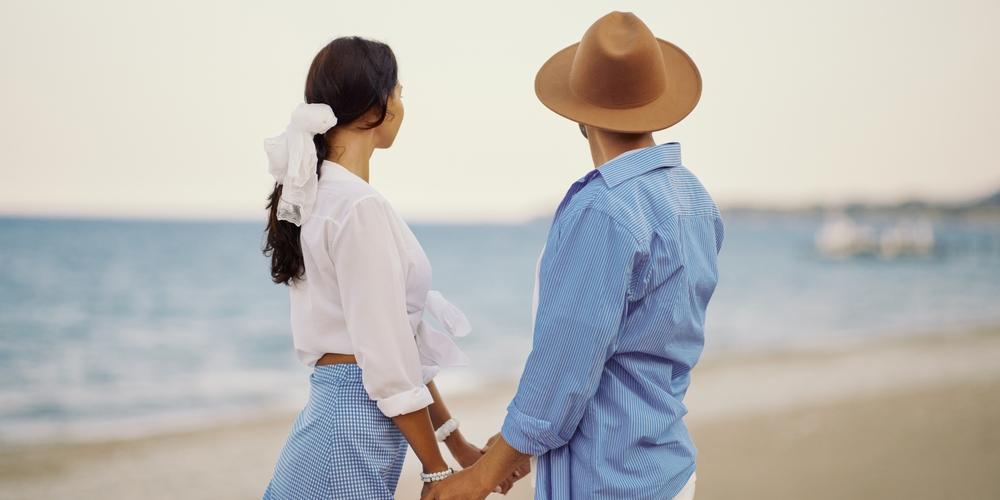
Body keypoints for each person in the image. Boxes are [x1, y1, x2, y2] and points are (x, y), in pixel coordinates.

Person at [424, 12, 723, 500]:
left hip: (609, 480)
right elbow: (638, 346)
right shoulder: (694, 199)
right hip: (666, 469)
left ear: (581, 114)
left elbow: (564, 367)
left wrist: (482, 474)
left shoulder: (604, 207)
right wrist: (519, 446)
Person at [260, 36, 516, 499]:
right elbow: (385, 353)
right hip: (349, 435)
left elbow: (399, 343)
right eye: (399, 91)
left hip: (344, 422)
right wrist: (437, 470)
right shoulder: (357, 206)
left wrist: (456, 445)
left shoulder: (320, 195)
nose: (401, 103)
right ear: (378, 105)